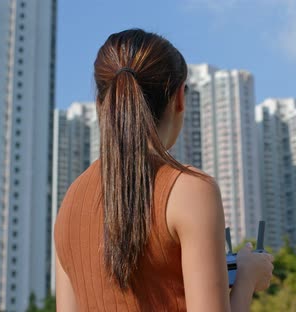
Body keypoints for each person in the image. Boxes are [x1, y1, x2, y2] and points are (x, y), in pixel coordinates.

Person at [54, 29, 274, 312]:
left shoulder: (70, 201)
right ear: (180, 97)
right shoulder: (190, 189)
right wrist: (245, 279)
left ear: (101, 104)